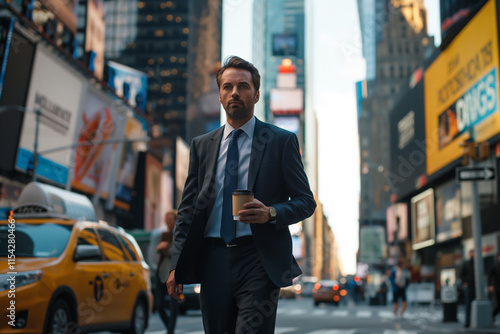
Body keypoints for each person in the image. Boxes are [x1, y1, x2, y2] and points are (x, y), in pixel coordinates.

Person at [166, 55, 316, 334]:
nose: (235, 92)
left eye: (243, 86)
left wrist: (271, 213)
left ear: (256, 94)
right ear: (221, 95)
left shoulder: (281, 141)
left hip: (259, 259)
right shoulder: (202, 146)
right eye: (227, 87)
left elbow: (306, 202)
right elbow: (187, 211)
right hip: (212, 261)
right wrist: (176, 265)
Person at [155, 211, 179, 334]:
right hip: (161, 272)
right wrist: (160, 248)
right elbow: (156, 250)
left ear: (175, 220)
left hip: (174, 272)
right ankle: (169, 329)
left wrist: (166, 249)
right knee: (158, 304)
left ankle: (170, 331)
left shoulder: (179, 235)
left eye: (171, 219)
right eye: (167, 219)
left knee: (173, 305)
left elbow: (178, 253)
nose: (168, 221)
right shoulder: (163, 234)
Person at [461, 249, 476, 328]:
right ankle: (468, 322)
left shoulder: (478, 263)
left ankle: (475, 321)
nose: (473, 254)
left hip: (476, 287)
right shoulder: (466, 263)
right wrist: (465, 283)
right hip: (469, 287)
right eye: (471, 253)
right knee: (468, 305)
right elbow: (461, 274)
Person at [488, 252, 500, 323]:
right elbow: (490, 276)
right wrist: (490, 285)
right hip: (497, 288)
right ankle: (491, 316)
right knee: (498, 305)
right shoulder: (495, 266)